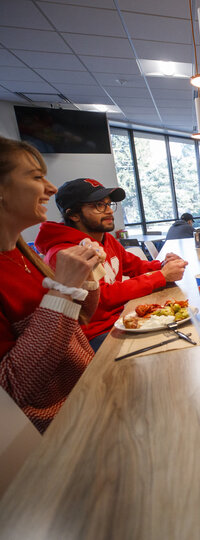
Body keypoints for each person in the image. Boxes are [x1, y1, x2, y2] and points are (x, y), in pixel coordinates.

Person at [0, 137, 102, 433]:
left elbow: (79, 319)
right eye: (36, 177)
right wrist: (61, 290)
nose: (52, 188)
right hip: (58, 425)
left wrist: (85, 278)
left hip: (88, 390)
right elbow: (12, 389)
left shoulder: (22, 252)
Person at [35, 178, 188, 351]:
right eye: (98, 205)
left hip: (122, 318)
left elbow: (135, 266)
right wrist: (161, 276)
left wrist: (162, 265)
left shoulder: (105, 239)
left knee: (181, 330)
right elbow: (103, 298)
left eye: (109, 204)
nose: (109, 211)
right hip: (94, 335)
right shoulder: (65, 254)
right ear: (73, 215)